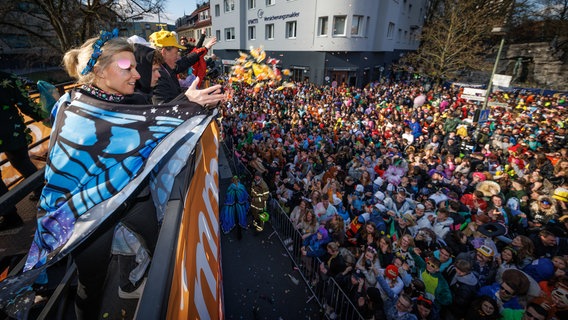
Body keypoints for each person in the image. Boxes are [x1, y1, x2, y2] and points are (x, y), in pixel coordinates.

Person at [4, 30, 224, 319]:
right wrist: (188, 104)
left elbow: (149, 120)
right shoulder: (76, 112)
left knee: (159, 246)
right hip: (89, 216)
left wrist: (187, 101)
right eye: (127, 67)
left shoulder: (130, 101)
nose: (136, 74)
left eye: (135, 66)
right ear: (99, 70)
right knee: (90, 284)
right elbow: (140, 126)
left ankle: (132, 283)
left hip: (133, 198)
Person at [0, 71, 47, 231]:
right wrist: (42, 116)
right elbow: (25, 102)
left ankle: (10, 215)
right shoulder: (7, 78)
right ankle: (43, 194)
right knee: (22, 162)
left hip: (10, 130)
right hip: (12, 130)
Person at [149, 28, 217, 104]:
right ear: (164, 52)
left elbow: (186, 61)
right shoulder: (157, 76)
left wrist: (205, 48)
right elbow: (164, 108)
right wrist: (189, 97)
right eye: (175, 53)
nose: (178, 57)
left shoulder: (166, 68)